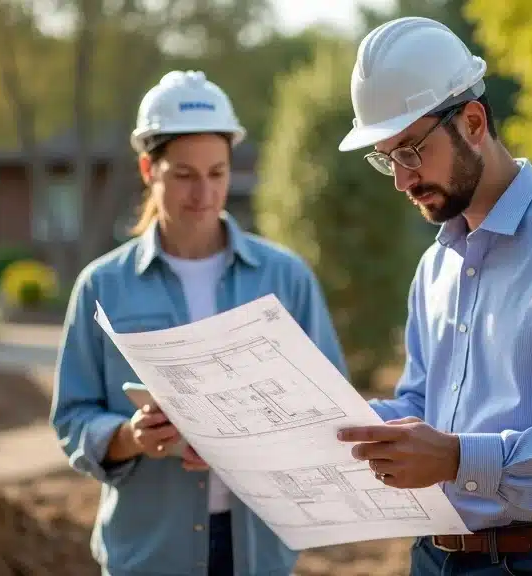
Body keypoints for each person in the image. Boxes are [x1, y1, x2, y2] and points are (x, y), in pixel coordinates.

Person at [334, 17, 532, 576]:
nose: (401, 181)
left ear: (474, 122)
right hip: (431, 557)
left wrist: (458, 458)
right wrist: (323, 420)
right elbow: (419, 408)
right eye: (387, 157)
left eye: (410, 151)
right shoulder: (435, 267)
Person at [50, 70, 348, 576]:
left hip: (259, 551)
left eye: (217, 173)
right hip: (148, 552)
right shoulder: (101, 286)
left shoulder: (285, 277)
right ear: (149, 169)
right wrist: (131, 437)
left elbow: (330, 412)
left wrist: (253, 440)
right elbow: (72, 417)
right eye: (183, 174)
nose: (203, 193)